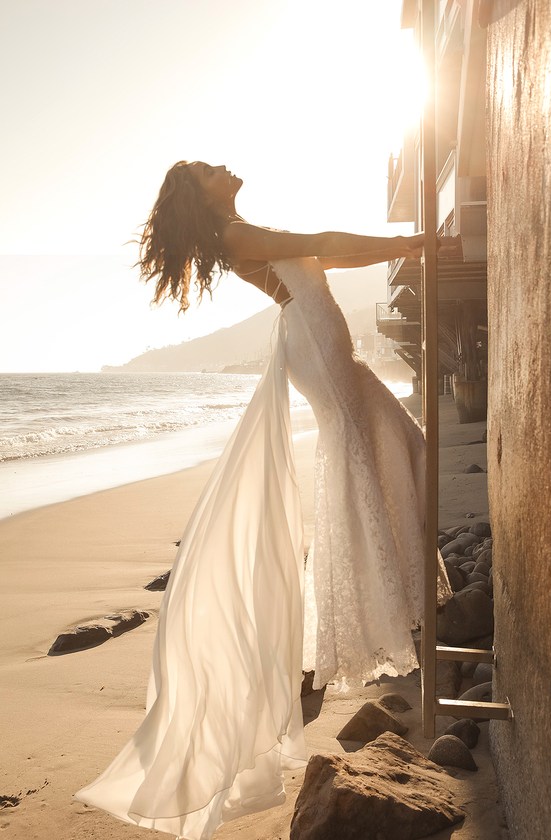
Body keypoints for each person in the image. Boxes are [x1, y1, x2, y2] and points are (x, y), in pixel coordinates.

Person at [75, 161, 450, 839]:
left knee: (403, 447)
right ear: (203, 193)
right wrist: (407, 246)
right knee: (370, 459)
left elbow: (327, 247)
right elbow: (326, 239)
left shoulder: (240, 231)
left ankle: (403, 591)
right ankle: (400, 602)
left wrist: (404, 247)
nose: (226, 167)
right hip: (313, 340)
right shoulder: (239, 234)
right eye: (211, 168)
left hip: (317, 338)